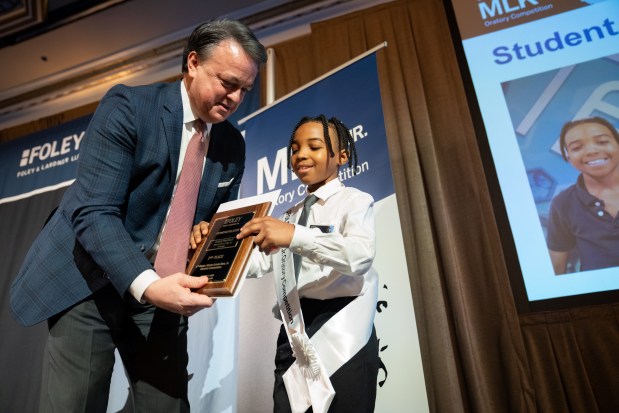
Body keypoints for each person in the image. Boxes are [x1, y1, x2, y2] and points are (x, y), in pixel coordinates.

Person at [10, 18, 266, 412]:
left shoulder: (232, 144)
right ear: (193, 62)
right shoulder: (129, 108)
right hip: (89, 280)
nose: (235, 98)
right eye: (227, 82)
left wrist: (205, 236)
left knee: (167, 406)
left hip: (160, 291)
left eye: (245, 90)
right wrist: (147, 284)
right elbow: (93, 212)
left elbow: (212, 222)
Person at [192, 115, 380, 413]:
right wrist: (208, 254)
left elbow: (359, 255)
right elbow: (255, 265)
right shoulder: (288, 215)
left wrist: (294, 236)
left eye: (314, 147)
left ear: (341, 155)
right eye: (294, 148)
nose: (301, 155)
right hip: (294, 332)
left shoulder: (354, 201)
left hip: (342, 325)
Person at [547, 116, 619, 274]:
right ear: (568, 156)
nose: (592, 151)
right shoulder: (563, 204)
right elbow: (556, 267)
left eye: (602, 142)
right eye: (577, 147)